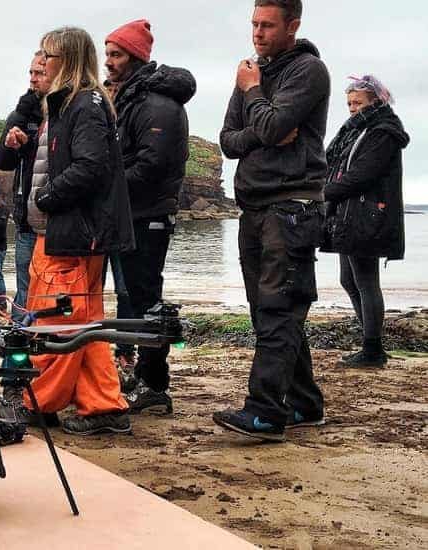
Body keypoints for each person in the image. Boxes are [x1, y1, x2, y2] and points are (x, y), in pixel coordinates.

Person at [214, 0, 329, 441]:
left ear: (292, 26)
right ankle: (304, 403)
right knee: (267, 310)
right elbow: (229, 141)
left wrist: (252, 94)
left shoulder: (307, 71)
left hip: (292, 206)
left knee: (279, 308)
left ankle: (264, 413)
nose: (258, 33)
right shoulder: (252, 72)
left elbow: (269, 125)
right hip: (255, 207)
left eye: (267, 25)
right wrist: (262, 127)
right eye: (254, 24)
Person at [17, 26, 134, 436]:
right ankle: (104, 406)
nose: (41, 61)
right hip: (63, 235)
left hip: (69, 236)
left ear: (66, 60)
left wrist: (47, 198)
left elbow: (89, 166)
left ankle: (41, 402)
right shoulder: (74, 103)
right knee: (83, 321)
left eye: (47, 55)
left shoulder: (82, 105)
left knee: (59, 323)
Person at [104, 19, 196, 415]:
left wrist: (105, 190)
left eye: (116, 54)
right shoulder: (133, 98)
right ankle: (146, 376)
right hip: (135, 214)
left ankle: (155, 383)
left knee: (146, 299)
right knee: (138, 297)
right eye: (107, 53)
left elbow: (151, 165)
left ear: (136, 57)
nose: (108, 62)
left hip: (148, 215)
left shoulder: (156, 104)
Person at [322, 75, 409, 368]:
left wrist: (322, 193)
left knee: (366, 281)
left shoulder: (383, 132)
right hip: (349, 214)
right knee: (349, 280)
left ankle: (373, 350)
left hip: (367, 216)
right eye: (349, 103)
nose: (352, 109)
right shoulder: (357, 131)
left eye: (357, 103)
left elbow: (362, 175)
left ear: (375, 102)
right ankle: (371, 345)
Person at [0, 53, 48, 323]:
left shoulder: (68, 109)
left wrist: (31, 144)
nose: (33, 79)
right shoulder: (22, 112)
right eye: (31, 73)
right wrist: (12, 145)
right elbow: (1, 161)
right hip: (26, 219)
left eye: (40, 73)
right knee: (25, 289)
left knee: (52, 292)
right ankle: (19, 340)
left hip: (58, 221)